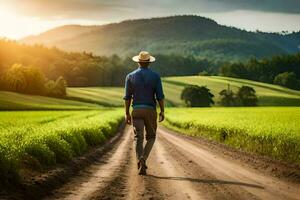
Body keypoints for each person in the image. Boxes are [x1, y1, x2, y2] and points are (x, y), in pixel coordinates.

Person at [123, 51, 165, 175]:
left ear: (138, 62)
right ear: (149, 63)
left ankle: (139, 158)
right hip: (150, 110)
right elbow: (160, 96)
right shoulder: (155, 76)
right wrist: (162, 111)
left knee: (138, 138)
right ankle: (143, 158)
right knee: (151, 137)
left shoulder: (130, 76)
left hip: (136, 110)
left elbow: (127, 97)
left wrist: (127, 113)